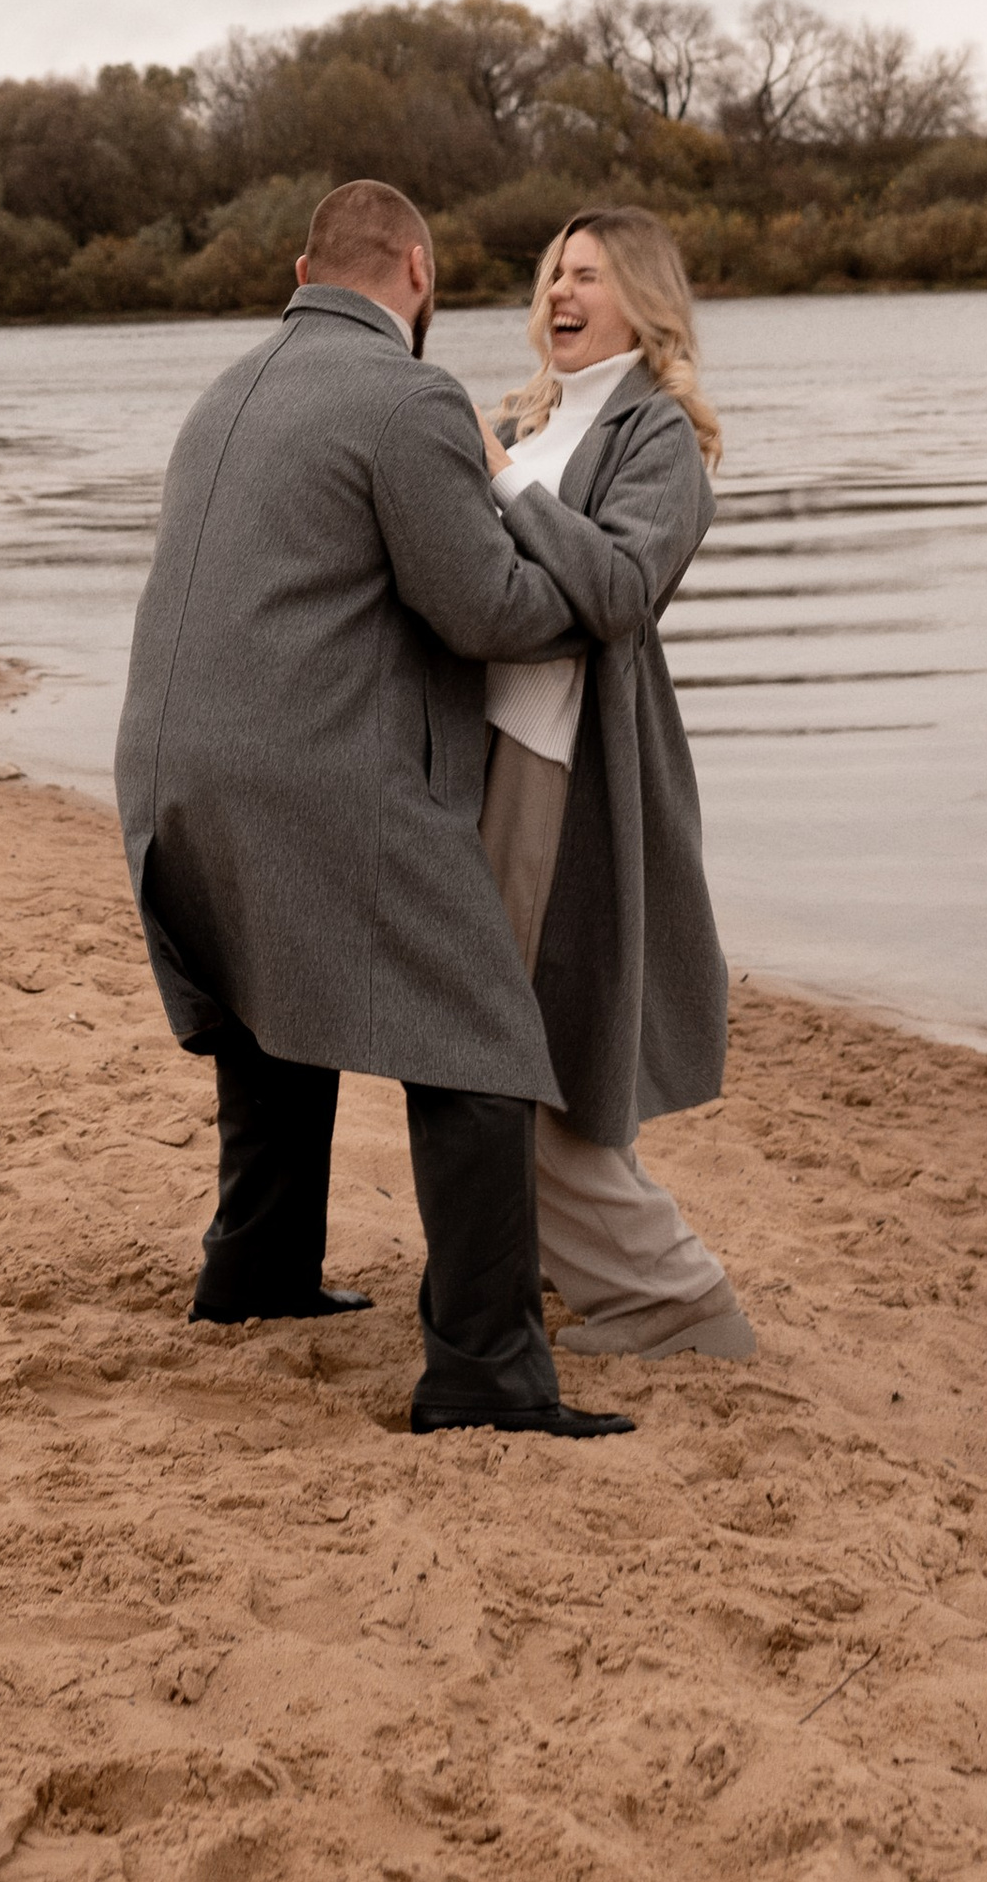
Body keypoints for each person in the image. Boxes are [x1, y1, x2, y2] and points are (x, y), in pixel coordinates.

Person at [115, 178, 636, 1439]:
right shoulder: (406, 397)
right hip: (303, 769)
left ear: (303, 269)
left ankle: (255, 1277)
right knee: (479, 1037)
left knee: (264, 1011)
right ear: (416, 267)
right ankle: (483, 1369)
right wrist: (600, 592)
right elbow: (482, 608)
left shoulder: (224, 386)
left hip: (163, 768)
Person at [473, 206, 754, 1362]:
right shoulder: (519, 414)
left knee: (521, 1034)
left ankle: (673, 1298)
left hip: (566, 769)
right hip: (480, 754)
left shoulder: (659, 440)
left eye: (586, 274)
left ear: (641, 297)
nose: (558, 293)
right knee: (523, 1024)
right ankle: (548, 1260)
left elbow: (620, 587)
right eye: (549, 274)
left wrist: (501, 485)